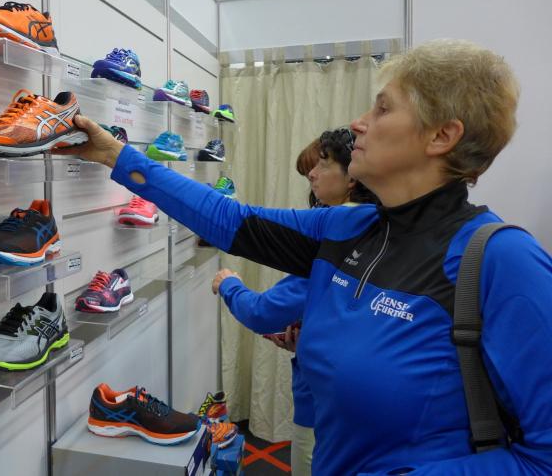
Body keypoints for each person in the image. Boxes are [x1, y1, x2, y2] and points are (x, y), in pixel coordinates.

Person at [55, 39, 552, 474]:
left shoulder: (502, 261)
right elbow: (230, 220)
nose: (359, 123)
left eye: (382, 109)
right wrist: (117, 156)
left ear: (442, 136)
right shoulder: (348, 226)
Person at [213, 129, 378, 476]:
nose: (313, 176)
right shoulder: (375, 231)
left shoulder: (338, 241)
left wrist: (228, 284)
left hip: (324, 409)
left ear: (351, 177)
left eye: (322, 165)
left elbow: (262, 312)